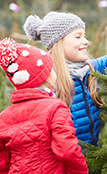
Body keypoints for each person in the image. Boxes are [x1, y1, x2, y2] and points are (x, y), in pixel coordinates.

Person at [23, 8, 107, 146]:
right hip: (64, 161)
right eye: (78, 36)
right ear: (58, 43)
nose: (86, 41)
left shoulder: (90, 69)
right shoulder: (49, 83)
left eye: (84, 36)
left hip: (91, 157)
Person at [0, 38, 88, 173]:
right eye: (51, 69)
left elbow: (3, 160)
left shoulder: (3, 117)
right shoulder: (55, 108)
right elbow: (67, 151)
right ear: (46, 77)